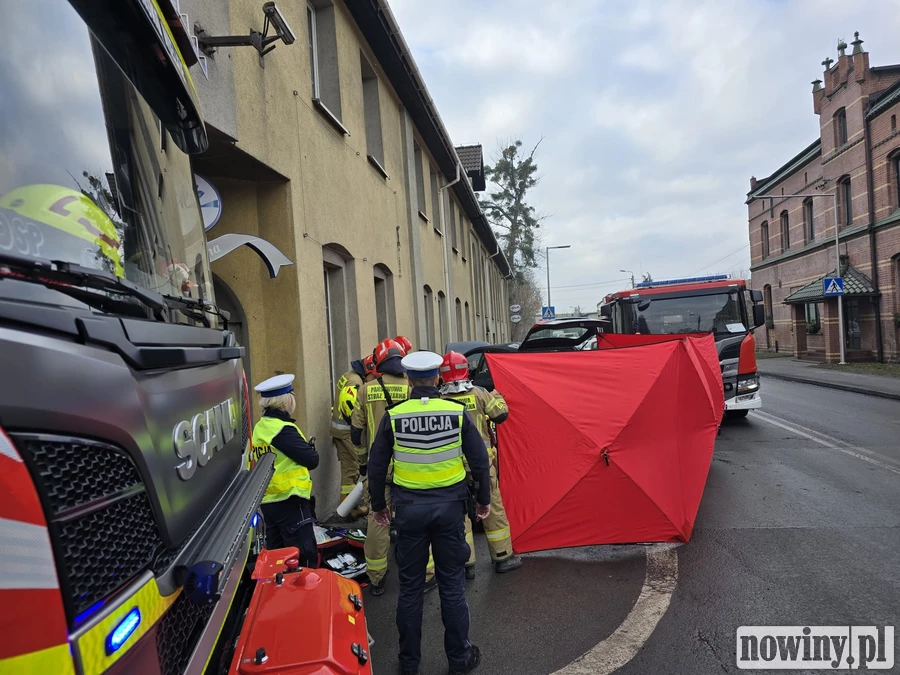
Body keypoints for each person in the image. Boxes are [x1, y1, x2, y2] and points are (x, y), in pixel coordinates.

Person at [368, 351, 491, 675]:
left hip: (409, 512)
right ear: (437, 379)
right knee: (451, 586)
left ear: (409, 381)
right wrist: (483, 500)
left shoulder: (394, 416)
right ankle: (459, 659)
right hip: (450, 510)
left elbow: (377, 465)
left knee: (410, 589)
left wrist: (379, 506)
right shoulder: (456, 412)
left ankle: (408, 664)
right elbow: (479, 462)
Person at [439, 351, 522, 576]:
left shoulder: (440, 400)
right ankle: (503, 557)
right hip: (482, 467)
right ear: (467, 370)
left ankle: (467, 564)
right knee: (492, 508)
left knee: (460, 515)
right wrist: (498, 396)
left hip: (452, 468)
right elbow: (501, 414)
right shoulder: (479, 393)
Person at [351, 338, 412, 595]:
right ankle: (419, 571)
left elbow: (356, 432)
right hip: (408, 465)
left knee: (378, 519)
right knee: (411, 518)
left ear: (378, 363)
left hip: (379, 467)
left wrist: (364, 463)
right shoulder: (410, 387)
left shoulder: (365, 389)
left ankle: (377, 578)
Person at [250, 374, 319, 567]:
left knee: (277, 558)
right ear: (285, 401)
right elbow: (312, 460)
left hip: (270, 502)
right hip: (290, 500)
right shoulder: (283, 429)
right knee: (303, 556)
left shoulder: (261, 427)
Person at [330, 357, 368, 517]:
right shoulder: (355, 383)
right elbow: (352, 412)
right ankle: (351, 508)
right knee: (354, 469)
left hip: (339, 430)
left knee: (348, 470)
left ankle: (348, 508)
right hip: (348, 432)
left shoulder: (349, 375)